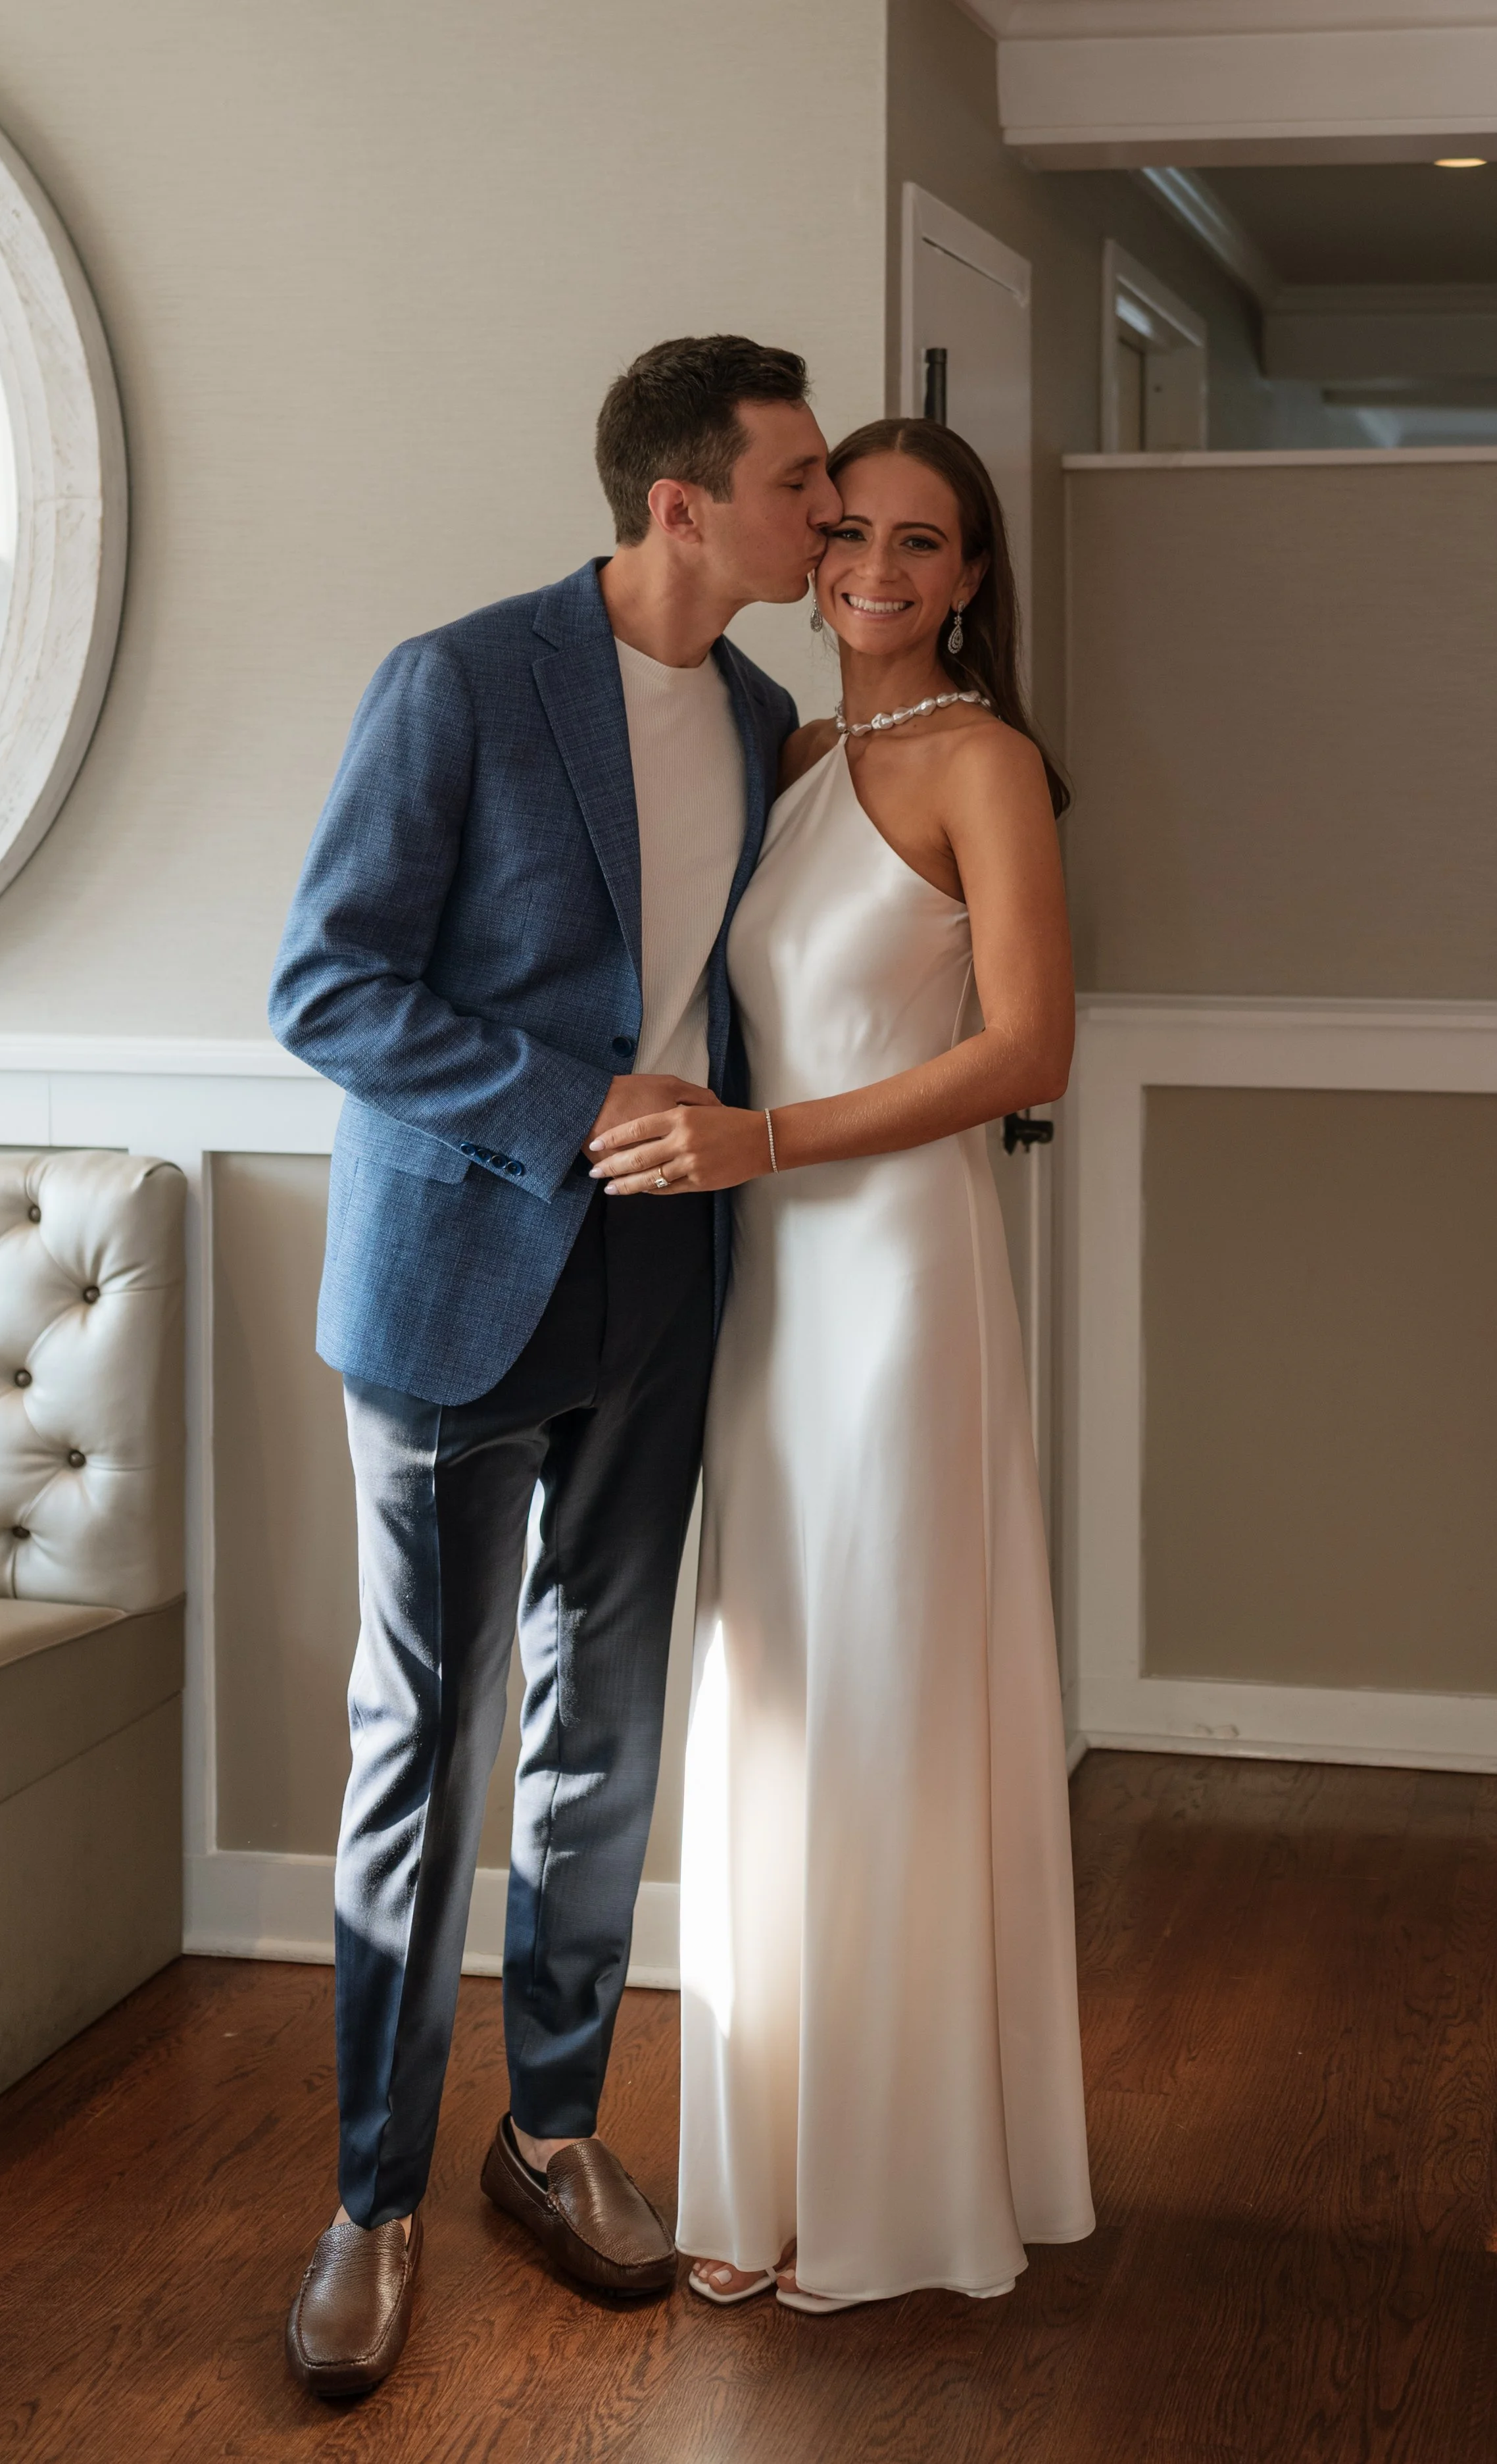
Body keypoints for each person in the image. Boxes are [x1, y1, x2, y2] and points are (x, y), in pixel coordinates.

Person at [266, 336, 841, 2396]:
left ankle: (551, 2131)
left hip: (665, 1287)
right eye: (795, 481)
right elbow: (323, 984)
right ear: (681, 504)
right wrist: (576, 1105)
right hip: (452, 1282)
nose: (825, 511)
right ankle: (368, 2202)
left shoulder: (772, 712)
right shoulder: (461, 679)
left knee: (600, 1724)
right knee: (421, 1744)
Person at [586, 418, 1096, 2311]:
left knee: (887, 1695)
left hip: (893, 1281)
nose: (875, 563)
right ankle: (774, 2173)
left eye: (922, 540)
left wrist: (765, 1144)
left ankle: (897, 2195)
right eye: (850, 528)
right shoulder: (788, 755)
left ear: (969, 578)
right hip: (764, 1291)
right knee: (780, 1693)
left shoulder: (986, 762)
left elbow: (1029, 1050)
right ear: (806, 554)